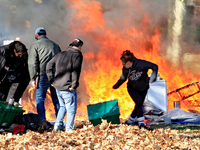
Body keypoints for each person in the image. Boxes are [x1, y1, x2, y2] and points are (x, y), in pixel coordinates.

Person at [112, 50, 158, 128]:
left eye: (123, 63)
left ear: (129, 62)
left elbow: (155, 66)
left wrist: (154, 74)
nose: (122, 65)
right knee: (139, 103)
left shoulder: (141, 64)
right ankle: (141, 123)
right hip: (132, 88)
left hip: (144, 88)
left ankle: (129, 121)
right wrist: (116, 86)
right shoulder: (125, 69)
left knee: (138, 106)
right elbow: (123, 79)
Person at [46, 38, 83, 132]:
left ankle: (56, 127)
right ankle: (68, 130)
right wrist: (73, 85)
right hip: (67, 88)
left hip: (58, 87)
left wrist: (52, 81)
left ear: (71, 46)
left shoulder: (60, 54)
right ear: (80, 47)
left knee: (62, 107)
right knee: (71, 109)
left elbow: (49, 65)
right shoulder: (77, 55)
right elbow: (76, 70)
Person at [28, 27, 61, 124]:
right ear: (46, 35)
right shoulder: (55, 45)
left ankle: (42, 120)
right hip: (56, 75)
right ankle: (60, 122)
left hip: (43, 75)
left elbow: (32, 63)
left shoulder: (35, 45)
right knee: (57, 99)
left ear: (36, 35)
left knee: (40, 99)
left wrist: (33, 78)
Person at [0, 41, 30, 107]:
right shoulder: (3, 51)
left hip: (17, 72)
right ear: (14, 50)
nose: (21, 56)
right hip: (4, 74)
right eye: (19, 54)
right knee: (3, 94)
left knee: (26, 78)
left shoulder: (24, 52)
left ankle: (15, 100)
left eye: (22, 54)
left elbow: (26, 65)